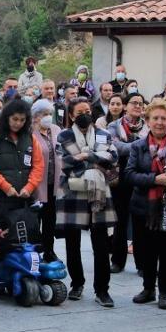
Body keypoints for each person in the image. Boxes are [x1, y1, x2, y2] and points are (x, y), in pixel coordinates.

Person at [125, 97, 166, 309]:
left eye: (164, 118)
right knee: (145, 249)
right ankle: (148, 288)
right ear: (148, 120)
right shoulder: (137, 146)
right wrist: (155, 179)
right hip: (144, 206)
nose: (160, 122)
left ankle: (164, 292)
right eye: (155, 118)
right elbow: (129, 175)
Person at [57, 97, 119, 307]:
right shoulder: (63, 136)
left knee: (101, 244)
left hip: (99, 193)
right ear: (72, 115)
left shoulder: (104, 134)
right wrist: (94, 164)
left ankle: (102, 290)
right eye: (79, 112)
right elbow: (63, 162)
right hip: (73, 192)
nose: (84, 114)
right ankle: (77, 283)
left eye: (87, 110)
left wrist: (87, 156)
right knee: (72, 242)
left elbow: (112, 158)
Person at [0, 97, 45, 240]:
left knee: (28, 241)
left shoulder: (30, 138)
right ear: (7, 117)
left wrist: (29, 187)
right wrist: (6, 187)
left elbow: (38, 166)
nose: (18, 123)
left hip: (25, 200)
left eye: (22, 120)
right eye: (15, 119)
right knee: (4, 242)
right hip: (1, 199)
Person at [106, 92, 147, 273]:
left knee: (140, 221)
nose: (137, 106)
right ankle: (118, 260)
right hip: (120, 176)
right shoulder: (113, 126)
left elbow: (151, 148)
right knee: (120, 220)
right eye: (134, 103)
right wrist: (139, 146)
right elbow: (115, 147)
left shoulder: (148, 126)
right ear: (125, 106)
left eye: (140, 103)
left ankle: (141, 262)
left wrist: (132, 147)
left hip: (141, 176)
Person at [30, 99, 61, 262]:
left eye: (50, 114)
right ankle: (36, 251)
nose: (48, 117)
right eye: (44, 114)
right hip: (36, 185)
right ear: (35, 116)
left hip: (53, 184)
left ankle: (49, 250)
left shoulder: (56, 130)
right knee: (35, 221)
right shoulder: (30, 133)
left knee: (50, 221)